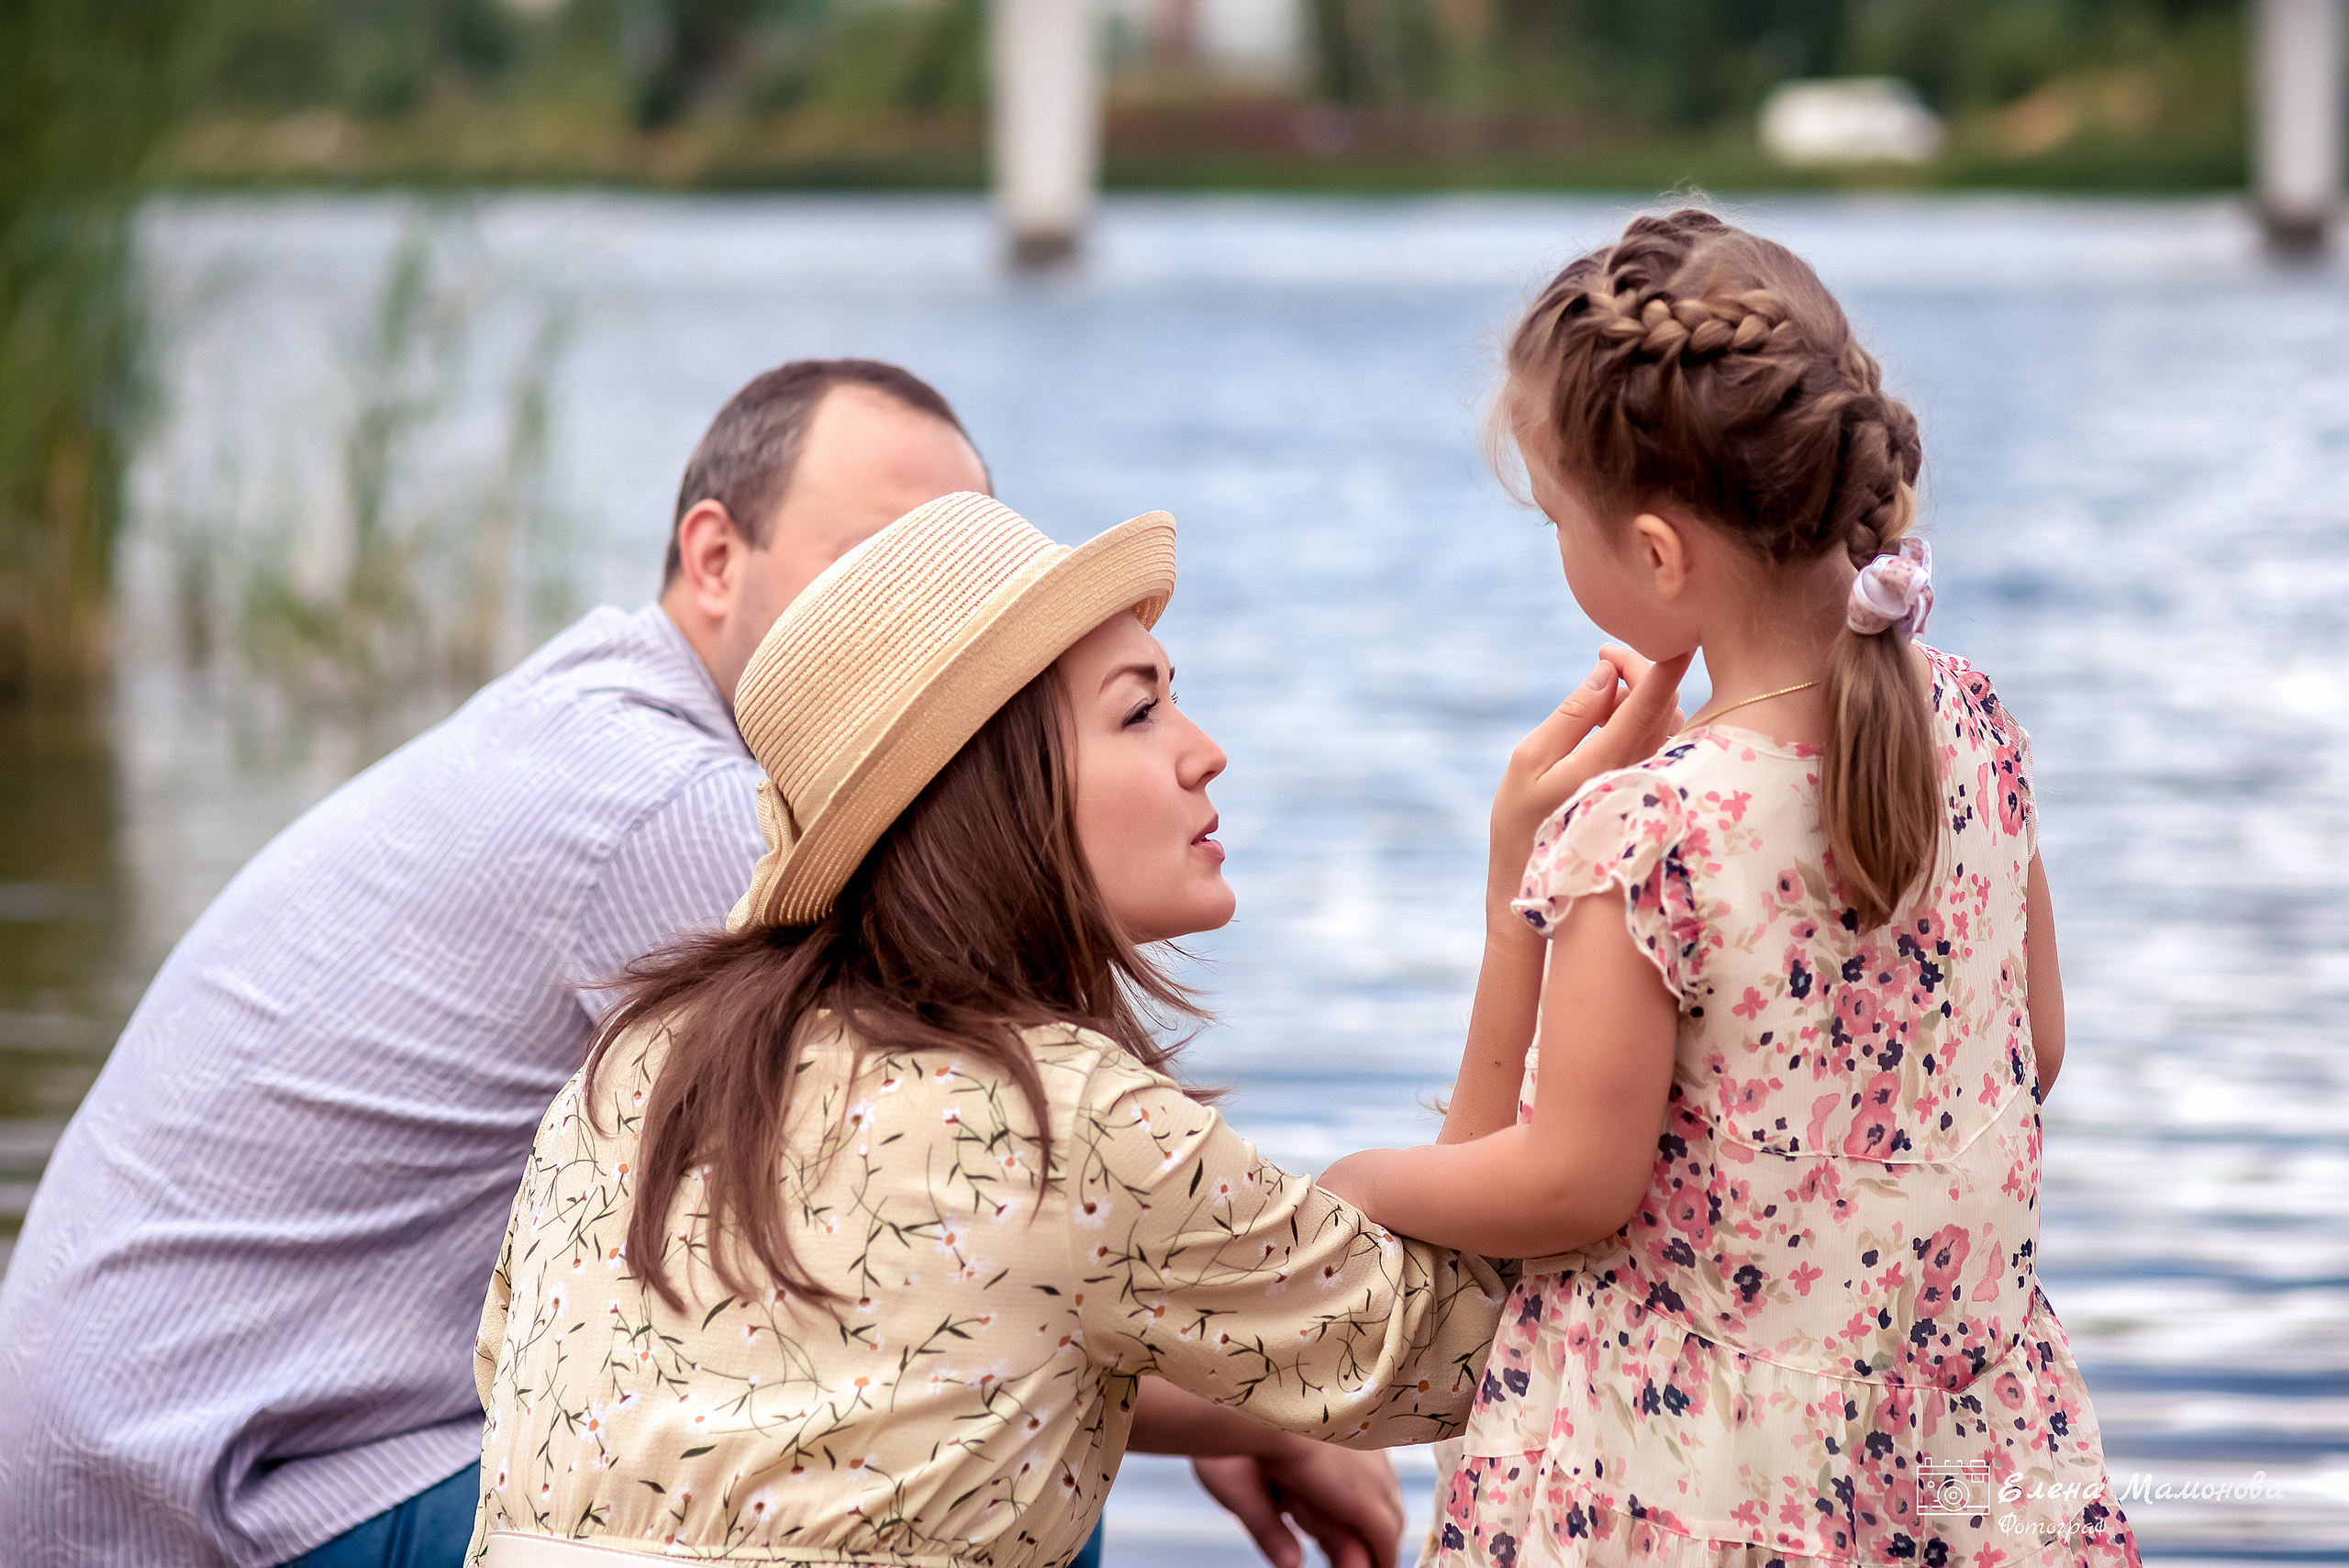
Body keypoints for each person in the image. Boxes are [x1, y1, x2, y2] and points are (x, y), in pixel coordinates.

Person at [0, 361, 1396, 1568]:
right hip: (208, 1495)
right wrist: (1258, 1405)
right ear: (715, 556)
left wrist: (1220, 1389)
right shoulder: (676, 808)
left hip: (193, 1443)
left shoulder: (610, 719)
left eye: (967, 570)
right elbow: (967, 1264)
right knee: (987, 1455)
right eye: (880, 555)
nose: (932, 614)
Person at [466, 491, 1689, 1566]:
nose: (1206, 753)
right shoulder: (1065, 1121)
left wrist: (1230, 1401)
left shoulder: (641, 1060)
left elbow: (896, 1381)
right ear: (995, 783)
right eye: (1140, 712)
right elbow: (1455, 1346)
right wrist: (1516, 900)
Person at [1315, 209, 2141, 1564]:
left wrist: (1361, 1183)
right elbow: (2032, 1050)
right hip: (1965, 1464)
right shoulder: (1975, 724)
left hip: (1696, 1489)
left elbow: (1569, 1182)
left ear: (1656, 555)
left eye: (1556, 520)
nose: (1558, 546)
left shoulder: (1651, 832)